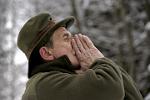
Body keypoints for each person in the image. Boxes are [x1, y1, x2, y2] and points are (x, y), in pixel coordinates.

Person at [17, 13, 143, 100]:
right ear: (47, 53)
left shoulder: (68, 80)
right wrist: (99, 61)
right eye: (66, 38)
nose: (74, 41)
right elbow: (110, 89)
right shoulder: (42, 86)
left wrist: (101, 63)